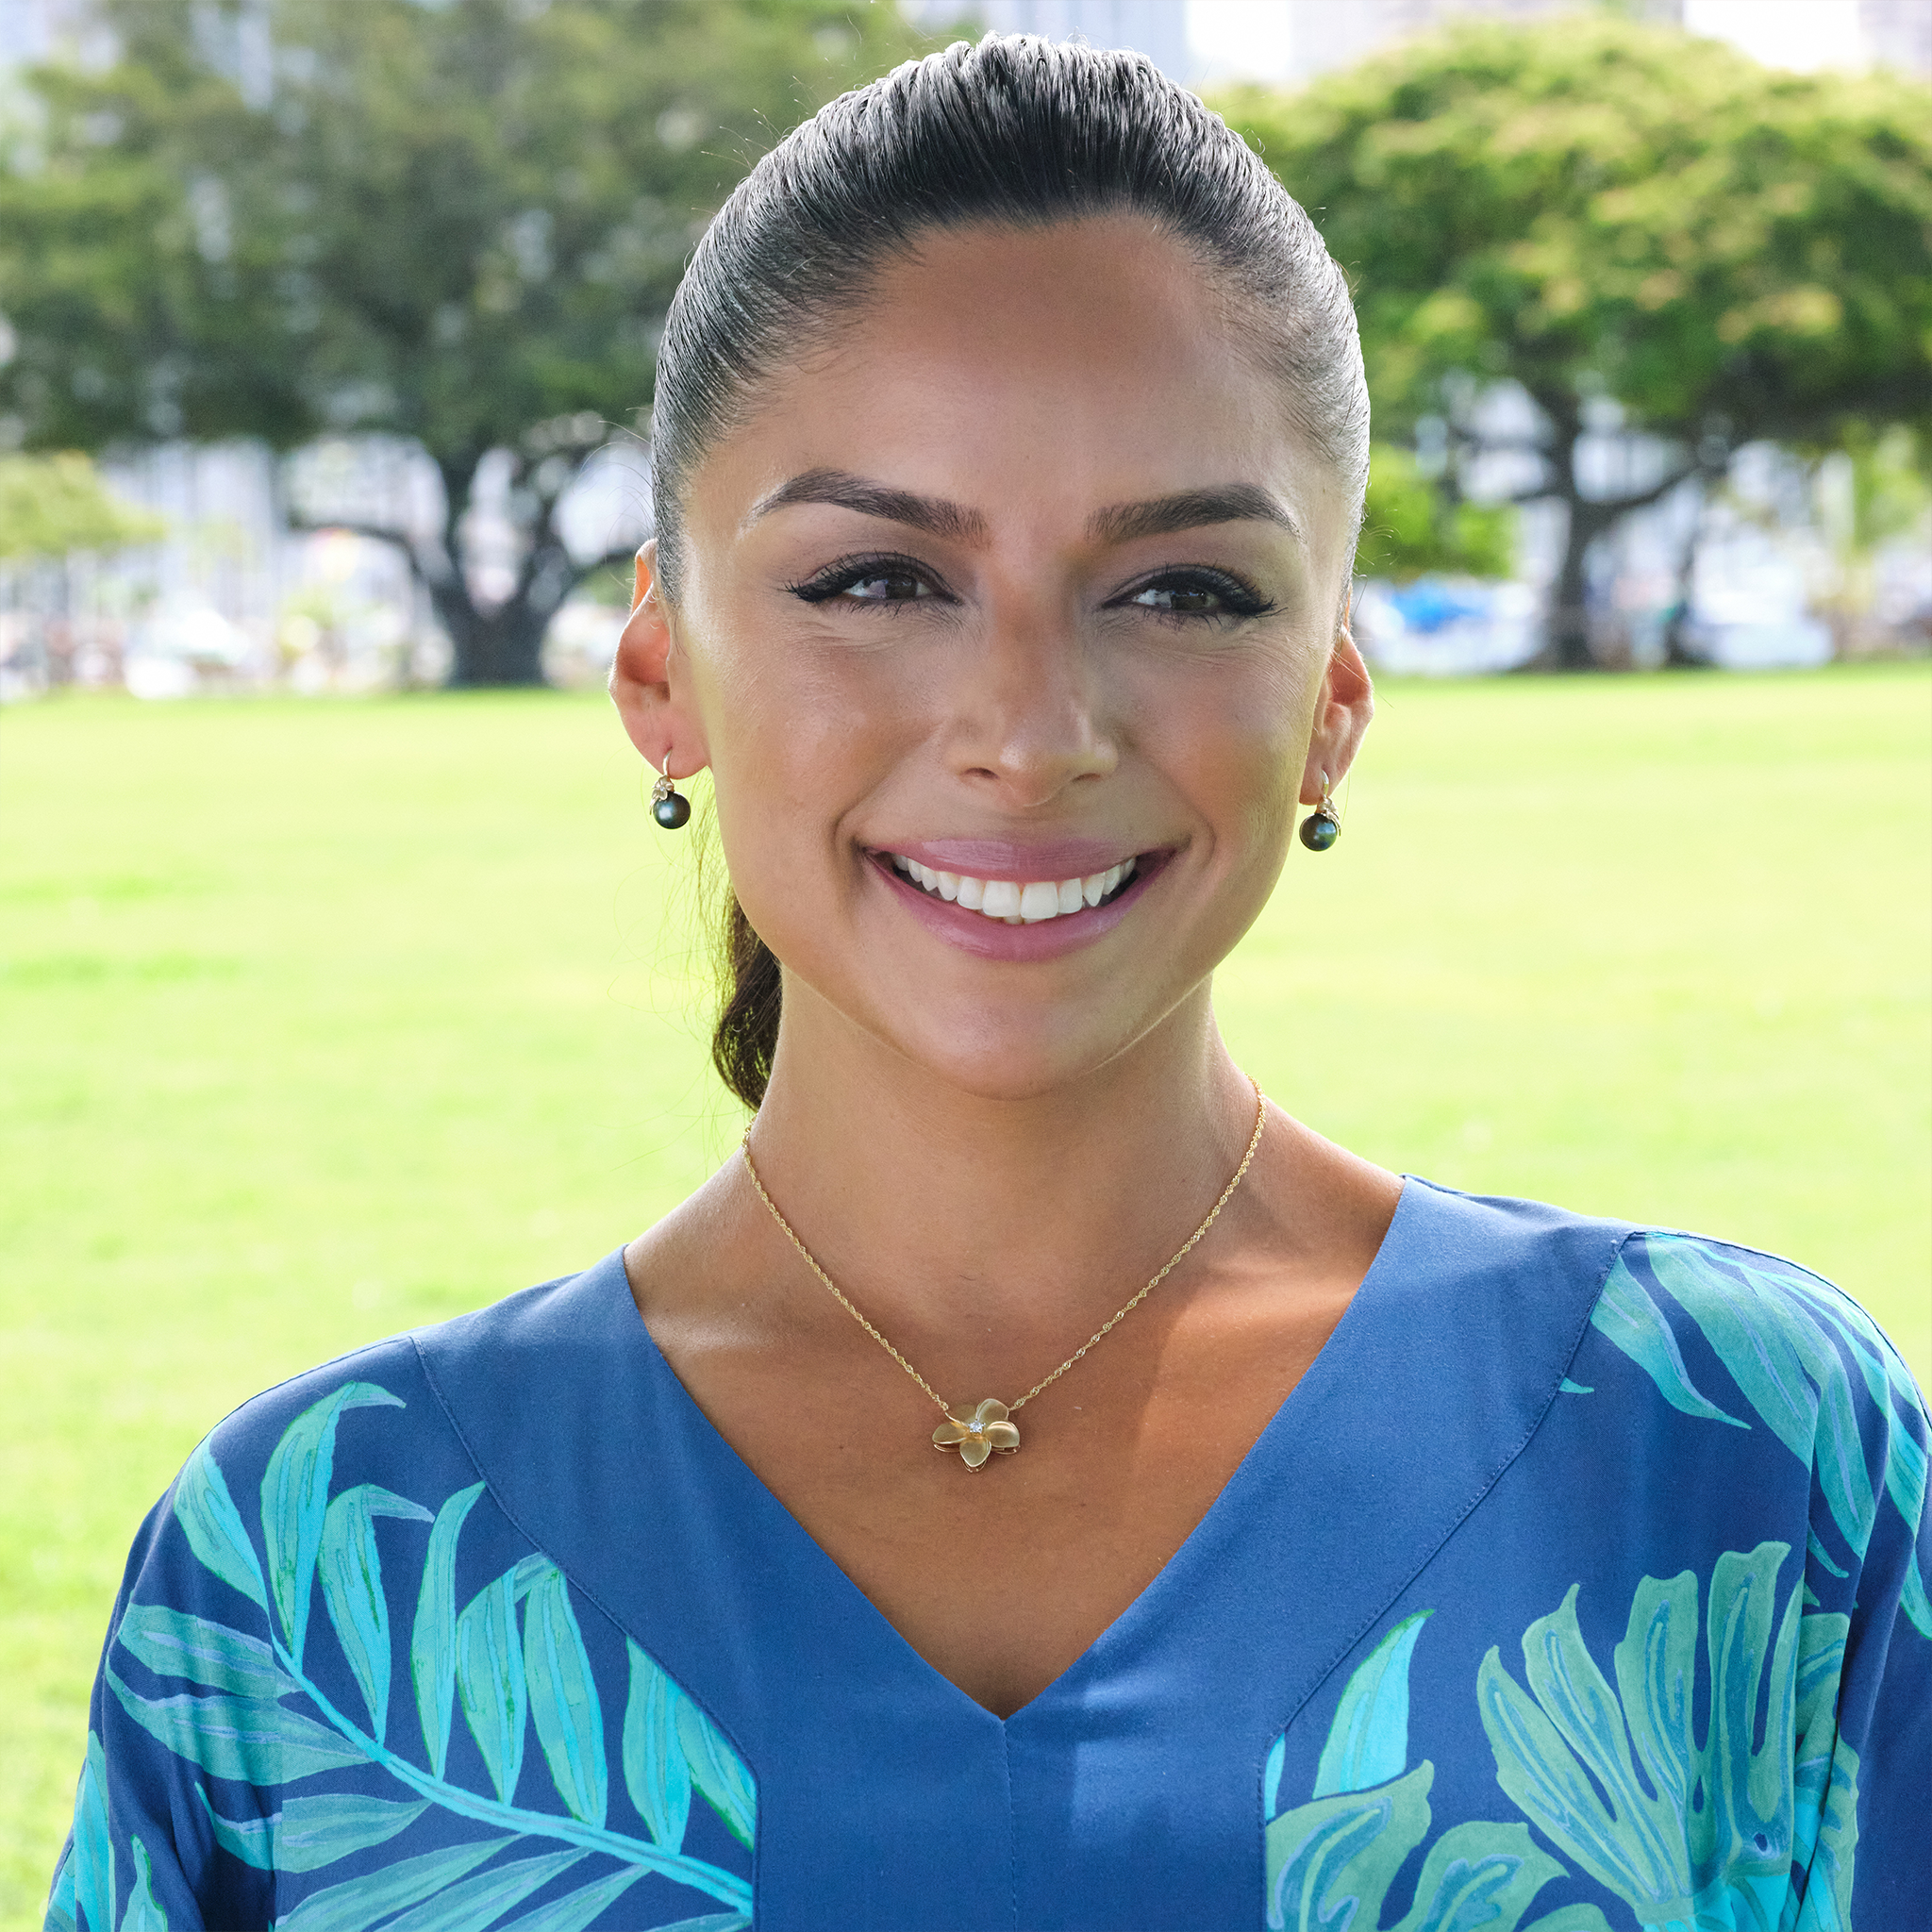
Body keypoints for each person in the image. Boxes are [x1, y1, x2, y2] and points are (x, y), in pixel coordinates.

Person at [45, 35, 1929, 1932]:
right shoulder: (316, 1576)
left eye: (1183, 588)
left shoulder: (1730, 1459)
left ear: (1330, 708)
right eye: (875, 578)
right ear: (660, 678)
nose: (1031, 734)